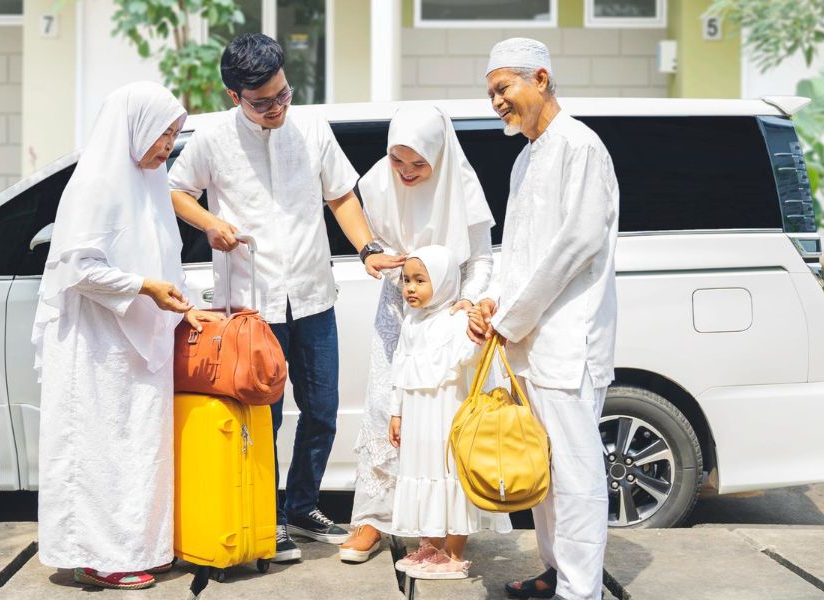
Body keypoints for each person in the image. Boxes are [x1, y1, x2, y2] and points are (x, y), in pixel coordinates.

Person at [168, 33, 399, 562]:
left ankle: (302, 506)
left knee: (322, 409)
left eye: (282, 94)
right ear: (234, 97)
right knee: (260, 417)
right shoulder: (212, 139)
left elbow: (340, 195)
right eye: (263, 101)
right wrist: (212, 225)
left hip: (313, 295)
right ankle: (262, 518)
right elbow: (177, 190)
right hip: (250, 304)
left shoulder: (311, 128)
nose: (276, 108)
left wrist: (367, 248)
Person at [31, 81, 221, 591]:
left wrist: (184, 309)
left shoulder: (152, 185)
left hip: (138, 342)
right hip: (94, 345)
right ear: (135, 128)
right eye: (164, 134)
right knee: (97, 449)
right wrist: (144, 288)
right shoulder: (95, 185)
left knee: (138, 450)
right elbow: (79, 268)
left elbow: (165, 260)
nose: (168, 147)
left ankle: (137, 549)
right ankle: (95, 556)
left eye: (175, 135)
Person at [467, 38, 620, 600]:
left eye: (503, 89)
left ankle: (581, 592)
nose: (497, 102)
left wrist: (513, 316)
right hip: (528, 339)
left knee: (577, 476)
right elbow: (523, 251)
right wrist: (494, 302)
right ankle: (556, 572)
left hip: (568, 338)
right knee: (545, 472)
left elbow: (576, 244)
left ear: (542, 78)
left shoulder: (581, 146)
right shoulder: (528, 155)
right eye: (491, 94)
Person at [342, 105, 496, 563]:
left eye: (419, 164)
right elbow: (376, 250)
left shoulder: (462, 187)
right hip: (399, 306)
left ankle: (443, 527)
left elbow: (482, 259)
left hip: (450, 318)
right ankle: (374, 519)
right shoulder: (375, 183)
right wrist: (394, 269)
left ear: (440, 157)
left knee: (442, 422)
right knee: (385, 409)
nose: (406, 173)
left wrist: (467, 300)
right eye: (398, 161)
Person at [384, 245, 513, 580]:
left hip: (446, 421)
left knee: (449, 478)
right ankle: (432, 544)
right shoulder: (411, 323)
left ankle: (454, 553)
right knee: (424, 475)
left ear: (441, 283)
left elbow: (472, 357)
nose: (410, 288)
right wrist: (396, 414)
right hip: (419, 423)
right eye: (406, 280)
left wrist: (480, 332)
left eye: (419, 280)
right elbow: (400, 371)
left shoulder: (455, 320)